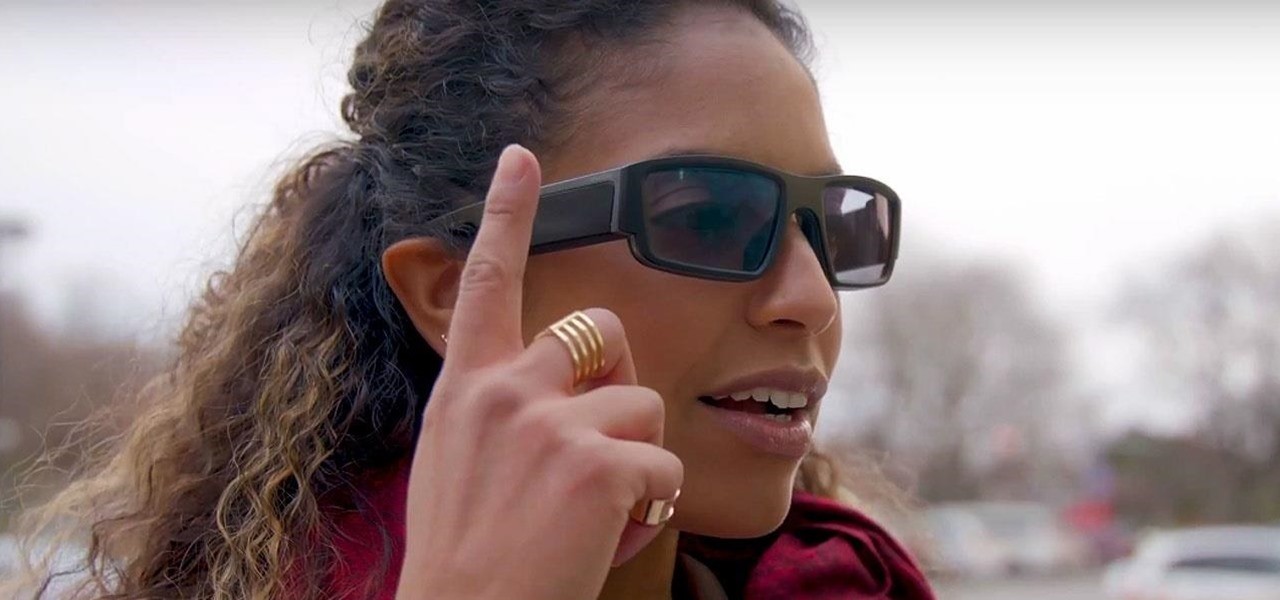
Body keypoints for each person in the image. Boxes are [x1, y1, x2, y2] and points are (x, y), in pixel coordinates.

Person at [7, 1, 936, 598]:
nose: (812, 297)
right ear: (452, 294)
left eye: (834, 225)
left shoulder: (853, 584)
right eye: (707, 216)